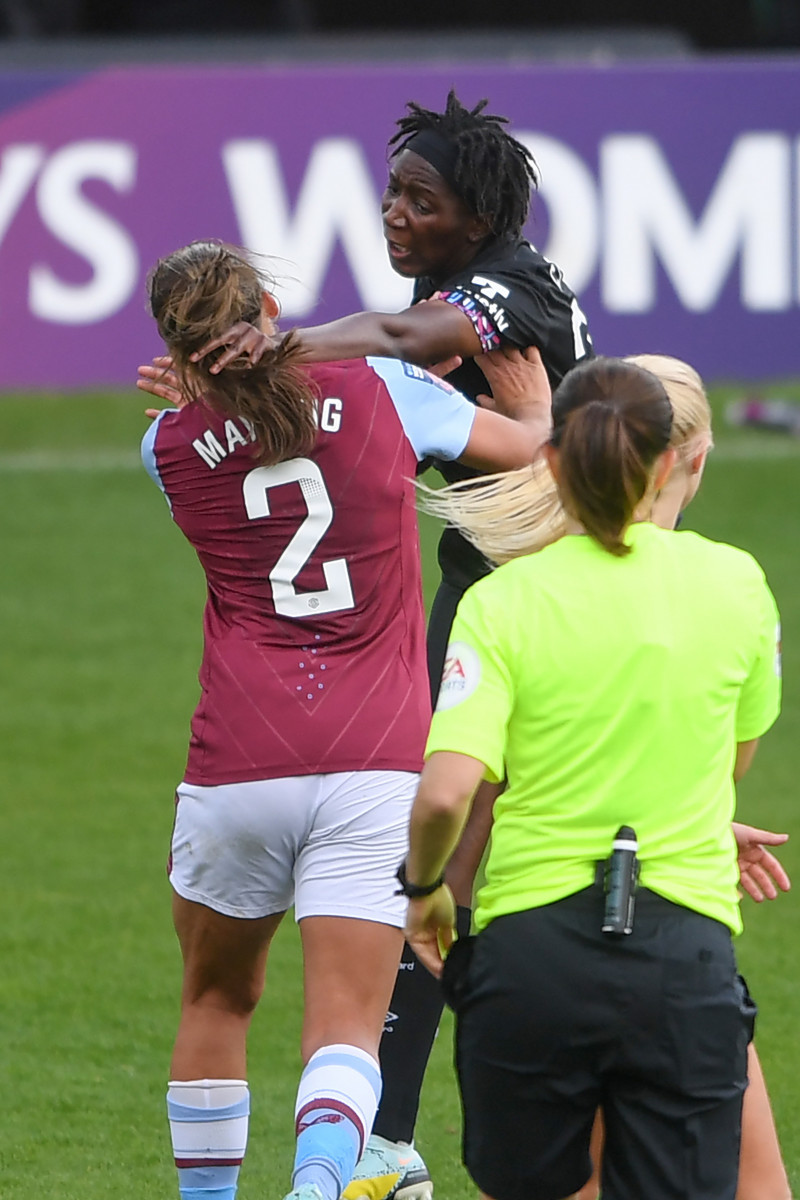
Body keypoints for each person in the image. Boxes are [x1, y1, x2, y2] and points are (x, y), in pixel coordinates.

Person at [138, 92, 594, 1198]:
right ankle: (385, 1137)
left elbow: (404, 349)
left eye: (416, 199)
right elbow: (455, 413)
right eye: (388, 192)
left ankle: (431, 1132)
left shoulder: (171, 443)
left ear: (472, 212)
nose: (392, 214)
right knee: (448, 885)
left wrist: (263, 360)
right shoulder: (388, 383)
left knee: (462, 881)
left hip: (524, 600)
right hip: (438, 647)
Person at [401, 355, 782, 1200]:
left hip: (530, 959)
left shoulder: (502, 602)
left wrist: (424, 889)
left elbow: (445, 793)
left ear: (552, 458)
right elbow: (726, 763)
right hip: (682, 950)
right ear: (679, 459)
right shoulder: (736, 585)